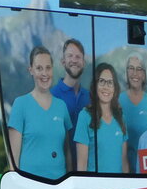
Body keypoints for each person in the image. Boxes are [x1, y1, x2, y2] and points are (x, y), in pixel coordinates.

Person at [7, 46, 72, 180]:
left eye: (48, 68)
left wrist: (70, 180)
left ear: (52, 70)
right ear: (31, 70)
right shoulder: (20, 104)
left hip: (59, 184)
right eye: (39, 68)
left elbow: (67, 151)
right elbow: (13, 158)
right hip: (30, 185)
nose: (44, 73)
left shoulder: (61, 106)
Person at [74, 63, 128, 173]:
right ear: (95, 85)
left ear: (115, 88)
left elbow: (124, 162)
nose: (106, 87)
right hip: (95, 188)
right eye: (102, 81)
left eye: (110, 83)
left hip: (118, 188)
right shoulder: (84, 116)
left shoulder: (121, 117)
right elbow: (82, 165)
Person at [119, 53, 147, 173]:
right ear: (127, 73)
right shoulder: (117, 101)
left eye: (139, 69)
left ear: (144, 74)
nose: (135, 73)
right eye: (131, 68)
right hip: (122, 169)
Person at [51, 38, 89, 127]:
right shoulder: (52, 96)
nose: (74, 60)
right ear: (63, 62)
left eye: (78, 57)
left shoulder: (90, 97)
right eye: (70, 56)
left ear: (83, 63)